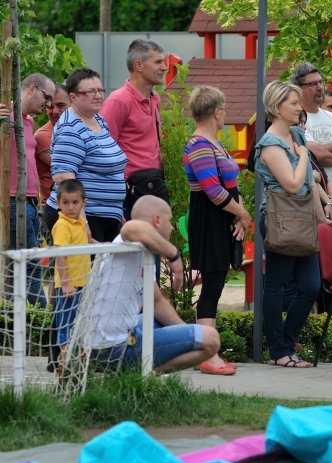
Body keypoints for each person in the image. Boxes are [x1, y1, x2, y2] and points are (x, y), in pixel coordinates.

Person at [89, 196, 220, 373]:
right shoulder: (131, 242)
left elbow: (157, 302)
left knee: (162, 318)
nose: (172, 227)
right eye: (170, 221)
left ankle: (138, 373)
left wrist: (189, 335)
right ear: (157, 220)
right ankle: (140, 375)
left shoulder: (142, 251)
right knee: (211, 339)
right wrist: (174, 254)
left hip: (104, 344)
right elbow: (131, 226)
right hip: (116, 347)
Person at [255, 80, 332, 368]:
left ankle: (287, 344)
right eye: (294, 103)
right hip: (279, 219)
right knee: (276, 286)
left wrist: (324, 213)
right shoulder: (269, 145)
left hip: (303, 218)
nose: (300, 108)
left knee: (311, 286)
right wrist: (302, 157)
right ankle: (278, 352)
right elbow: (292, 183)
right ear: (277, 108)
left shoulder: (297, 134)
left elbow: (311, 182)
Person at [183, 86, 252, 376]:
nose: (225, 114)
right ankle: (207, 354)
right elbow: (212, 191)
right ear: (216, 112)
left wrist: (237, 215)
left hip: (222, 218)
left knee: (217, 284)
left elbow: (230, 186)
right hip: (209, 219)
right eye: (223, 109)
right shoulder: (199, 145)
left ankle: (210, 351)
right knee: (211, 287)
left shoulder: (215, 143)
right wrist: (242, 213)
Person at [47, 68, 127, 242]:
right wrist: (82, 223)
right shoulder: (70, 128)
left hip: (105, 217)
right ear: (73, 97)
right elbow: (64, 178)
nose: (98, 95)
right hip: (83, 218)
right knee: (83, 270)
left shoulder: (98, 120)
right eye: (90, 91)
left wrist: (117, 212)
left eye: (100, 90)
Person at [0, 72, 54, 307]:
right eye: (47, 97)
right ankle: (42, 326)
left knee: (24, 267)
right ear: (32, 89)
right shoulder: (6, 116)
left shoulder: (28, 121)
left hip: (31, 203)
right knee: (30, 268)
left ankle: (19, 324)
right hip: (13, 201)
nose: (49, 104)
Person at [100, 39, 168, 216]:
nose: (165, 67)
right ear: (139, 65)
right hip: (129, 191)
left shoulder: (155, 98)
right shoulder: (119, 101)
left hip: (154, 185)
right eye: (158, 62)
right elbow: (103, 149)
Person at [290, 62, 332, 225]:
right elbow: (317, 157)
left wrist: (322, 148)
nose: (320, 87)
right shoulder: (297, 118)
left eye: (321, 82)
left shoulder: (329, 116)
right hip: (313, 205)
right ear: (298, 88)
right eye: (313, 84)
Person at [52, 180, 90, 354]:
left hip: (83, 282)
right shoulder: (62, 225)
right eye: (65, 202)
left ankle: (80, 356)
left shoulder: (80, 222)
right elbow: (60, 255)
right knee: (66, 320)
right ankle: (64, 356)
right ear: (57, 203)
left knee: (81, 320)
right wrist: (66, 283)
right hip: (68, 285)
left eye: (75, 202)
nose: (70, 207)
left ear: (84, 202)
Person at [34, 83, 70, 203]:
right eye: (50, 107)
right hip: (54, 207)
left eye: (61, 105)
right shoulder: (43, 136)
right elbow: (67, 167)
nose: (55, 111)